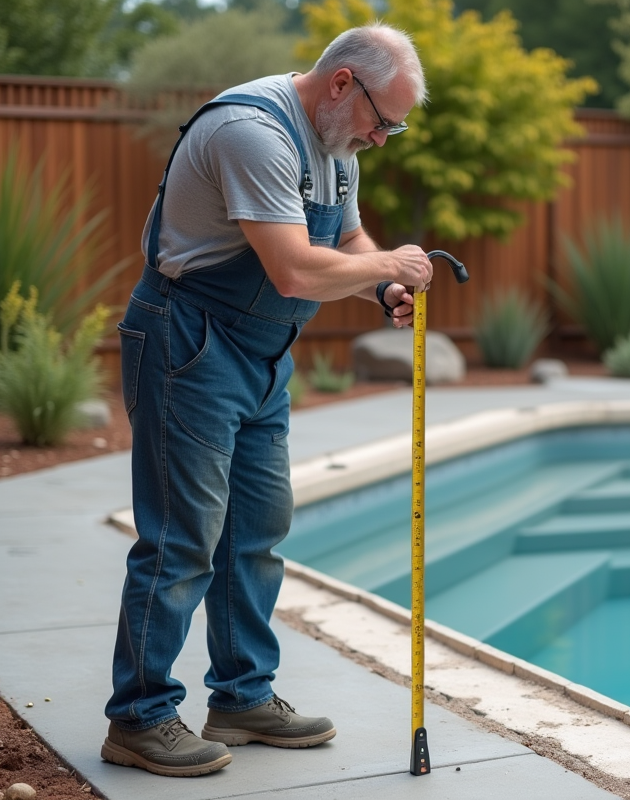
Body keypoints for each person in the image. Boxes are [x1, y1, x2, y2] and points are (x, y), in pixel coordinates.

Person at [101, 22, 432, 778]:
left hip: (260, 355)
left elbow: (344, 241)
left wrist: (380, 284)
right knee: (183, 538)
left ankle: (242, 696)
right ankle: (139, 716)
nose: (384, 139)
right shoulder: (253, 132)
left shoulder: (337, 145)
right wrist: (393, 262)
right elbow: (289, 270)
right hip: (189, 340)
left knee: (257, 529)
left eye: (396, 127)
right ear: (344, 83)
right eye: (385, 121)